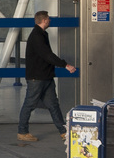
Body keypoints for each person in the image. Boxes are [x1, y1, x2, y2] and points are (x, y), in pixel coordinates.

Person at [17, 10, 76, 142]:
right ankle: (22, 131)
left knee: (53, 104)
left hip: (45, 76)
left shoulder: (42, 34)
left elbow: (47, 55)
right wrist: (65, 65)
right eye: (48, 19)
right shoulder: (37, 36)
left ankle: (63, 131)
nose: (50, 20)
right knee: (29, 104)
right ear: (44, 20)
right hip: (37, 78)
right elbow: (47, 55)